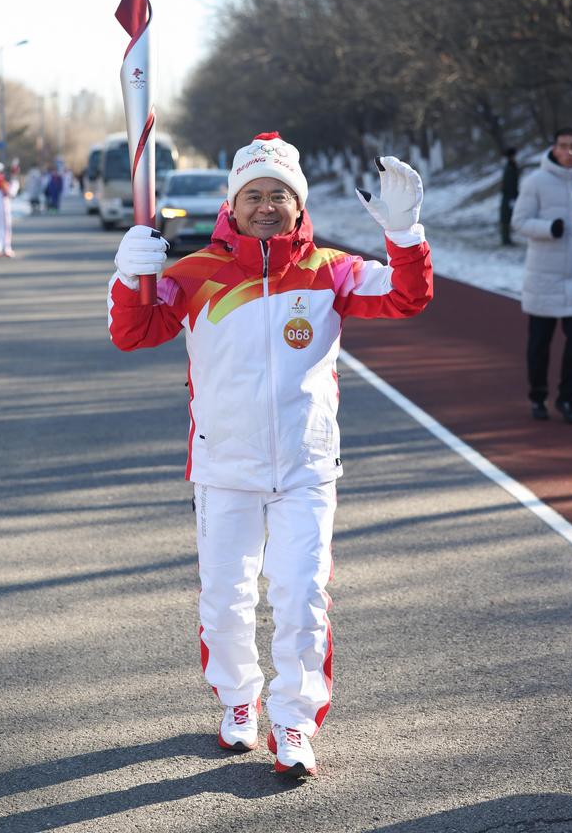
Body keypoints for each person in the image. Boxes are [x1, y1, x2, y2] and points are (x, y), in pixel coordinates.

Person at [107, 132, 433, 778]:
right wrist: (128, 277)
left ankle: (293, 720)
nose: (265, 205)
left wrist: (405, 234)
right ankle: (237, 702)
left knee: (301, 595)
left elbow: (405, 295)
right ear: (233, 204)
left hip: (307, 466)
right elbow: (134, 333)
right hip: (225, 465)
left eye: (278, 195)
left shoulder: (330, 270)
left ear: (297, 204)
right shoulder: (191, 274)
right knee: (225, 598)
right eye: (252, 194)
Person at [512, 127, 572, 424]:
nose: (570, 151)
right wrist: (548, 228)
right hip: (544, 277)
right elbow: (519, 221)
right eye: (563, 146)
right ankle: (538, 397)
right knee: (539, 345)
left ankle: (568, 400)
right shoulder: (536, 182)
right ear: (553, 149)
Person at [500, 147, 519, 245]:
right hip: (508, 196)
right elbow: (509, 184)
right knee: (506, 218)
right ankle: (506, 239)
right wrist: (512, 196)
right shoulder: (509, 167)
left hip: (510, 196)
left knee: (508, 218)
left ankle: (507, 239)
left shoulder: (511, 166)